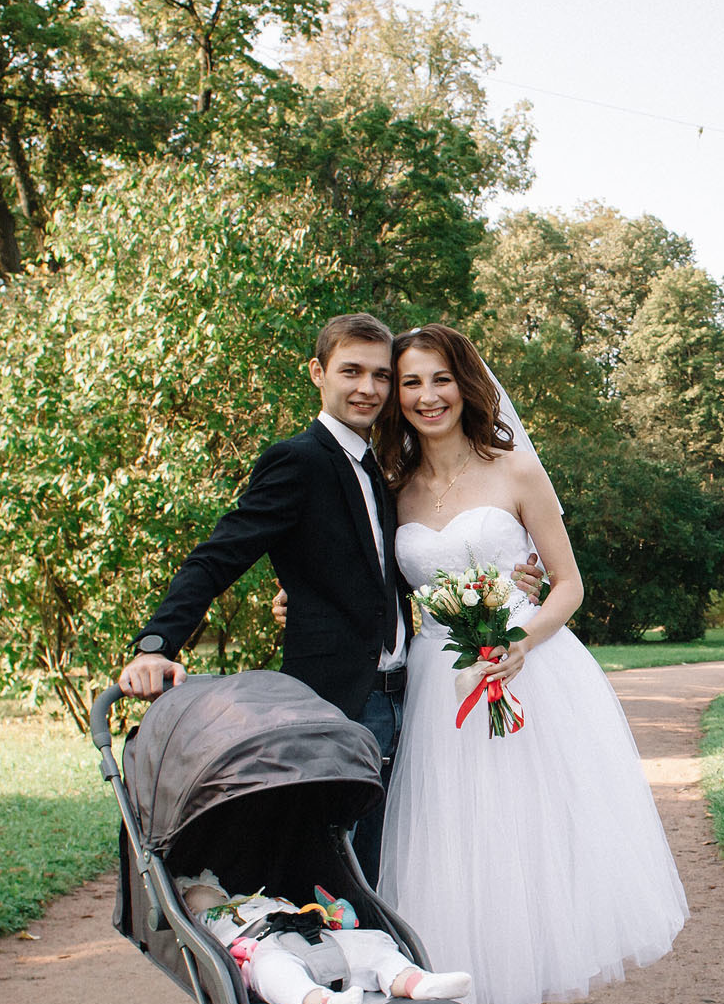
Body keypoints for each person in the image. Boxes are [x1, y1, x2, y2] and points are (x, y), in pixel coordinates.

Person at [375, 324, 688, 1004]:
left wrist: (520, 643)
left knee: (523, 857)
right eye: (411, 384)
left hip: (524, 679)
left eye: (441, 379)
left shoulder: (514, 468)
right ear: (398, 397)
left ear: (466, 384)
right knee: (461, 865)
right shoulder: (394, 487)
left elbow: (568, 583)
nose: (428, 396)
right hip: (441, 691)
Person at [117, 313, 542, 879]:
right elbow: (218, 555)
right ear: (319, 373)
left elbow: (382, 569)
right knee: (337, 868)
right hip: (339, 700)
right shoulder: (298, 460)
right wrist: (156, 642)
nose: (367, 388)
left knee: (398, 862)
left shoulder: (388, 470)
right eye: (351, 372)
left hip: (411, 694)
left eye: (381, 375)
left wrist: (509, 580)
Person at [177, 871, 471, 1004]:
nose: (206, 891)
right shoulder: (205, 922)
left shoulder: (262, 898)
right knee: (273, 974)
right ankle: (326, 1003)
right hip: (261, 947)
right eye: (195, 894)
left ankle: (415, 981)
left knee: (370, 944)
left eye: (206, 887)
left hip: (314, 934)